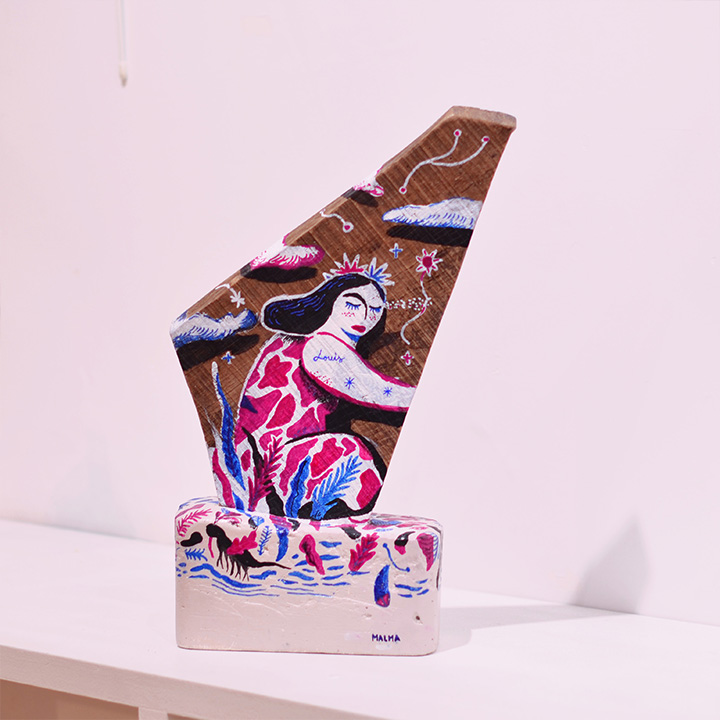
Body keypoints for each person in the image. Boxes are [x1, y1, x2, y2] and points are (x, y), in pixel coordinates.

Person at [224, 266, 415, 520]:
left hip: (261, 462)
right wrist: (425, 398)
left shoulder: (300, 340)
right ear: (330, 302)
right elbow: (376, 391)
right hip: (274, 465)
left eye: (375, 309)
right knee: (351, 452)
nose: (365, 316)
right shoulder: (321, 346)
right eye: (353, 304)